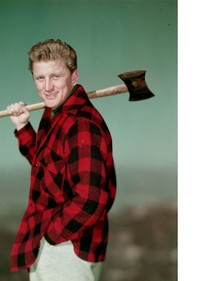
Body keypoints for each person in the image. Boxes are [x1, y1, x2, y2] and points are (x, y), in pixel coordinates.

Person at [6, 39, 116, 281]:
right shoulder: (54, 112)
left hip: (68, 250)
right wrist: (23, 127)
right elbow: (45, 166)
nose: (47, 87)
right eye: (40, 78)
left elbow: (91, 199)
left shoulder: (81, 125)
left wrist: (51, 235)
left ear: (73, 76)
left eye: (55, 76)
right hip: (57, 245)